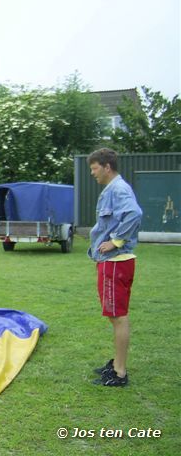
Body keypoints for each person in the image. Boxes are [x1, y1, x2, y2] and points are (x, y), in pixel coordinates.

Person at [87, 148, 142, 387]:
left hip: (116, 262)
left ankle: (119, 372)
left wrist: (116, 241)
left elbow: (134, 214)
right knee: (115, 316)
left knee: (118, 317)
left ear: (107, 167)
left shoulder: (118, 189)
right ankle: (117, 364)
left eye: (95, 168)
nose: (93, 173)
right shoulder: (113, 189)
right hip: (112, 264)